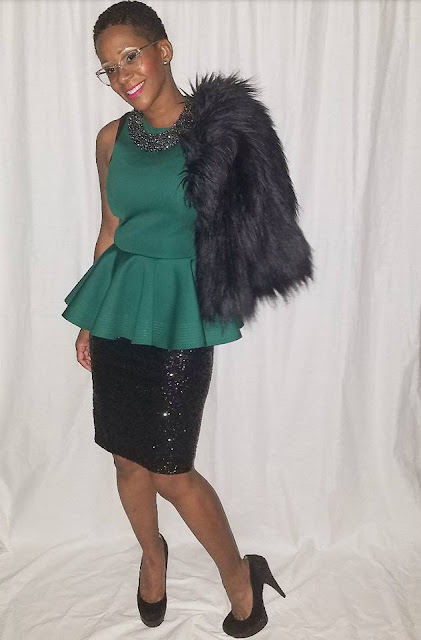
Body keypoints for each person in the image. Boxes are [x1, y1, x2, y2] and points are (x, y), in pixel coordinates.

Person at [62, 1, 313, 637]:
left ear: (164, 49)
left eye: (131, 56)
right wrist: (90, 320)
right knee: (126, 460)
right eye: (108, 67)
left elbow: (261, 218)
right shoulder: (111, 140)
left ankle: (240, 575)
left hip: (180, 313)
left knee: (171, 471)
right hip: (120, 307)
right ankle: (153, 558)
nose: (122, 75)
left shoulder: (219, 133)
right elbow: (111, 227)